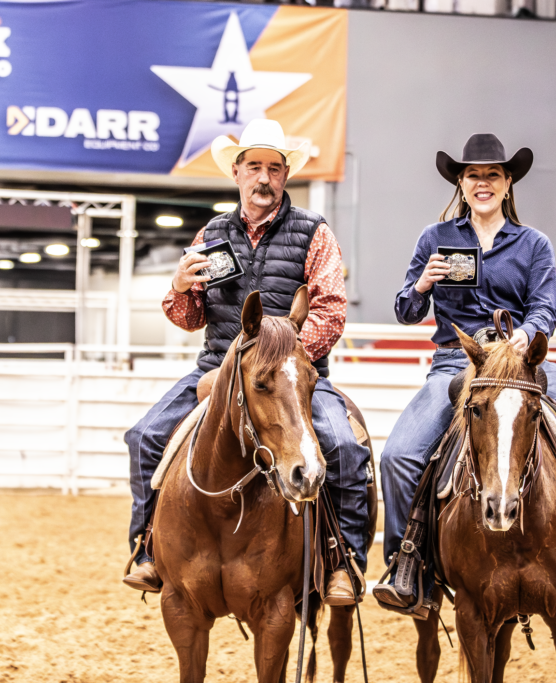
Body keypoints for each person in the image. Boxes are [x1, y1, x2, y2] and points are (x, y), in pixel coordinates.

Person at [373, 133, 556, 610]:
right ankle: (408, 565)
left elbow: (546, 310)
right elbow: (406, 312)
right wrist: (421, 284)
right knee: (398, 455)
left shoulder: (534, 243)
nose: (483, 182)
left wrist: (527, 333)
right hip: (459, 365)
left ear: (507, 182)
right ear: (460, 181)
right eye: (473, 174)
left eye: (492, 174)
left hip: (521, 364)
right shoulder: (434, 239)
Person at [123, 119, 371, 606]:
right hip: (216, 368)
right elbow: (190, 316)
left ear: (285, 176)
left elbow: (331, 311)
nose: (263, 177)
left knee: (342, 446)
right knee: (146, 436)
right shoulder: (212, 233)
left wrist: (282, 356)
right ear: (236, 173)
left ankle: (344, 560)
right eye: (253, 166)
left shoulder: (314, 233)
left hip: (291, 376)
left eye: (274, 168)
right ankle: (147, 547)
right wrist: (177, 287)